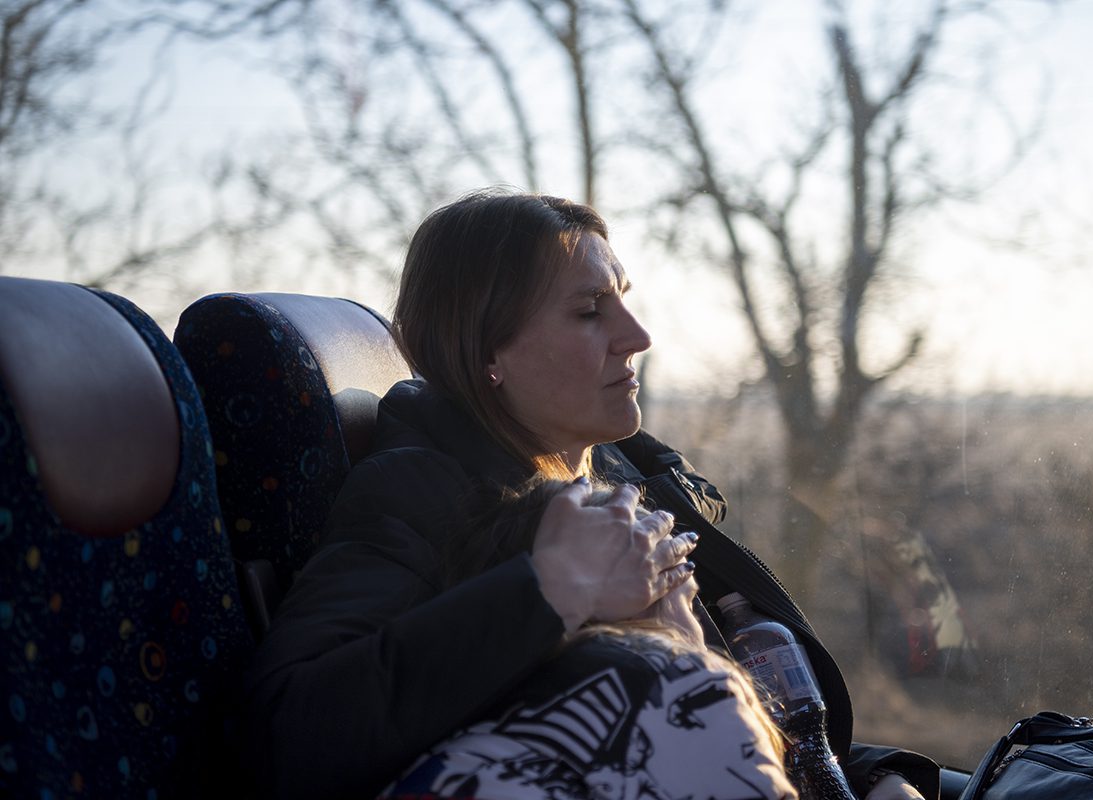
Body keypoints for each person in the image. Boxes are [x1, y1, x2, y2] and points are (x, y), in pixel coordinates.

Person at [243, 189, 937, 800]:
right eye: (589, 313)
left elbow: (741, 711)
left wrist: (875, 776)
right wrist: (547, 590)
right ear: (488, 352)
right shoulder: (419, 489)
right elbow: (287, 739)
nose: (637, 337)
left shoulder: (619, 476)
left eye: (624, 300)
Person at [379, 478, 794, 800]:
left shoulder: (457, 701)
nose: (699, 633)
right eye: (686, 601)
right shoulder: (671, 683)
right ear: (643, 596)